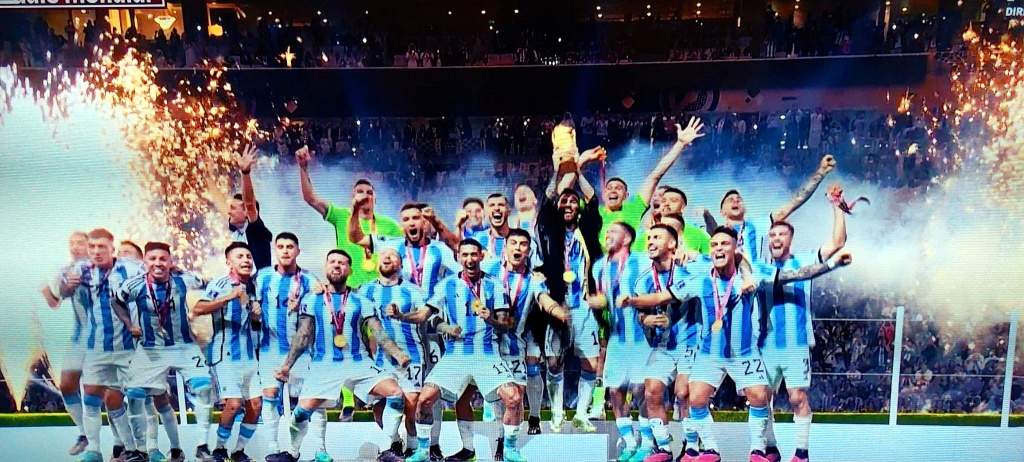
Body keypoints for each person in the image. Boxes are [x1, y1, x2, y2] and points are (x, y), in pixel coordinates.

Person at [623, 227, 851, 462]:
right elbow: (662, 297)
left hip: (744, 353)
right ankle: (710, 450)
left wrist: (832, 264)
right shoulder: (701, 280)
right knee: (696, 399)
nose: (718, 249)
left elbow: (795, 275)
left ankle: (758, 450)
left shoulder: (752, 275)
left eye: (724, 244)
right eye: (714, 245)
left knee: (759, 397)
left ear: (735, 250)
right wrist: (632, 301)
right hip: (709, 353)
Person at [270, 249, 410, 462]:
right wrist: (286, 366)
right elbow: (303, 334)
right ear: (325, 267)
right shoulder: (312, 299)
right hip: (323, 365)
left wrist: (398, 354)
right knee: (301, 413)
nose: (337, 265)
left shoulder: (361, 301)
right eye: (333, 262)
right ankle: (293, 452)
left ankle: (387, 448)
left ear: (350, 270)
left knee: (395, 393)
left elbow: (378, 332)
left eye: (342, 263)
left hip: (359, 362)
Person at [406, 239, 526, 462]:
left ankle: (510, 450)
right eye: (465, 255)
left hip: (486, 353)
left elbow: (506, 324)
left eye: (473, 254)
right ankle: (423, 450)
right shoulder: (446, 285)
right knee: (425, 399)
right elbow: (424, 316)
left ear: (481, 256)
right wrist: (401, 316)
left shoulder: (494, 285)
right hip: (456, 354)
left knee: (513, 398)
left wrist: (490, 319)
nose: (469, 259)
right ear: (459, 258)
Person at [759, 200, 847, 462]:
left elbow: (837, 242)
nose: (776, 238)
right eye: (772, 234)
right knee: (760, 398)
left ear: (791, 239)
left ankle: (801, 453)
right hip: (766, 344)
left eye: (782, 234)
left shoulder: (807, 260)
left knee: (797, 397)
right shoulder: (760, 267)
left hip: (796, 344)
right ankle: (771, 448)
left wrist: (837, 208)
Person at [113, 242, 212, 462]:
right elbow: (116, 302)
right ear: (145, 261)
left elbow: (206, 282)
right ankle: (139, 451)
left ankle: (202, 446)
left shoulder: (183, 280)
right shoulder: (134, 285)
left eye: (163, 259)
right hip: (151, 348)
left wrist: (183, 271)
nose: (158, 263)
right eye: (153, 259)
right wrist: (129, 324)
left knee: (205, 388)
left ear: (170, 261)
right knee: (134, 395)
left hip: (184, 346)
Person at [60, 229, 146, 462]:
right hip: (96, 346)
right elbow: (63, 292)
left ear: (112, 248)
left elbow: (155, 274)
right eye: (92, 247)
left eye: (101, 247)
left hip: (127, 346)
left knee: (135, 397)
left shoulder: (130, 268)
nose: (96, 251)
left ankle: (141, 448)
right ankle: (94, 450)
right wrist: (67, 286)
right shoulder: (80, 270)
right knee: (90, 395)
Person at [535, 144, 604, 433]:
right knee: (554, 362)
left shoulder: (587, 230)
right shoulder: (549, 230)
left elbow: (592, 199)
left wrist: (578, 170)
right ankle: (557, 413)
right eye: (564, 202)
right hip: (557, 304)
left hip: (584, 305)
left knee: (591, 362)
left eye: (572, 202)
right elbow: (547, 201)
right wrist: (557, 172)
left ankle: (582, 414)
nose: (567, 205)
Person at [493, 229, 569, 456]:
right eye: (513, 243)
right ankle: (499, 437)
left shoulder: (534, 279)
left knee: (517, 394)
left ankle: (521, 430)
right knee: (499, 395)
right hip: (489, 345)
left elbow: (544, 299)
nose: (517, 248)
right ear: (505, 247)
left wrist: (557, 310)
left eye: (523, 244)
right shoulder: (489, 270)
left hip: (519, 340)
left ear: (529, 250)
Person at [586, 222, 651, 462]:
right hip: (616, 338)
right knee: (614, 390)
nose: (607, 234)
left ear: (627, 238)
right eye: (607, 231)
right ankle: (630, 442)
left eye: (614, 231)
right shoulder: (599, 266)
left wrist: (636, 302)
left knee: (641, 390)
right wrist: (596, 304)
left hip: (642, 338)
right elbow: (603, 299)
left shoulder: (643, 261)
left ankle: (648, 443)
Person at [192, 242, 263, 462]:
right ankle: (219, 448)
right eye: (240, 256)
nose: (246, 260)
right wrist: (228, 297)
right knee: (233, 405)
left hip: (248, 357)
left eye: (249, 256)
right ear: (229, 262)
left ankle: (239, 450)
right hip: (224, 356)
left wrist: (256, 316)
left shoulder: (254, 286)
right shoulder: (221, 283)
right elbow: (198, 308)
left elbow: (255, 323)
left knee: (256, 405)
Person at [359, 247, 433, 457]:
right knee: (379, 406)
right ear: (377, 262)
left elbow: (422, 315)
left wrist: (401, 315)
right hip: (380, 358)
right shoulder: (365, 290)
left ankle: (413, 448)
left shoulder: (413, 290)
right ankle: (393, 443)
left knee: (411, 405)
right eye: (383, 255)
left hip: (411, 355)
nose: (387, 257)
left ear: (400, 264)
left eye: (392, 255)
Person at [296, 145, 403, 287]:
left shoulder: (390, 225)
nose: (365, 195)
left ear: (375, 199)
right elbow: (311, 199)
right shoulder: (341, 216)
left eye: (369, 193)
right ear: (352, 197)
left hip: (378, 290)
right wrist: (303, 168)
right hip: (349, 289)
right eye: (360, 192)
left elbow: (407, 251)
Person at [598, 117, 705, 253]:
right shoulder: (596, 213)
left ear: (626, 195)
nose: (613, 191)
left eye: (618, 188)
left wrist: (680, 144)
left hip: (627, 264)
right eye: (609, 188)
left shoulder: (633, 208)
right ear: (603, 193)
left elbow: (655, 176)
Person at [254, 233, 317, 461]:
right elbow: (254, 304)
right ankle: (272, 447)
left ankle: (311, 449)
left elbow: (318, 312)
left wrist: (301, 306)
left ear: (297, 251)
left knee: (307, 400)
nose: (285, 251)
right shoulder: (263, 277)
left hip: (300, 351)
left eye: (290, 246)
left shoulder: (309, 280)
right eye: (280, 246)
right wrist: (254, 310)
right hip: (270, 347)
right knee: (270, 394)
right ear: (275, 249)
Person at [706, 155, 836, 263]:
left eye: (739, 199)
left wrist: (820, 173)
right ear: (722, 211)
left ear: (745, 209)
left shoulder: (757, 225)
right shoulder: (715, 234)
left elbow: (795, 201)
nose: (735, 201)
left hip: (754, 281)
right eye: (730, 200)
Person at [40, 231, 90, 456]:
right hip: (79, 336)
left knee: (107, 392)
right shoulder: (65, 270)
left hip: (109, 337)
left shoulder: (105, 268)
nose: (75, 247)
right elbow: (57, 301)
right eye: (72, 243)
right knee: (67, 386)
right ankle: (84, 433)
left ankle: (125, 444)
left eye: (80, 243)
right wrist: (47, 290)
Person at [230, 144, 274, 269]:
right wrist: (208, 176)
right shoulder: (237, 228)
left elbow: (249, 204)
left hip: (260, 280)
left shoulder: (255, 230)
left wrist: (245, 173)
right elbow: (221, 206)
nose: (229, 212)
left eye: (233, 209)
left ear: (245, 213)